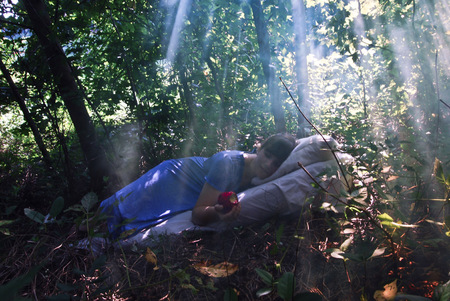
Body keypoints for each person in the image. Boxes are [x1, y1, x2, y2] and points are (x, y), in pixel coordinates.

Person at [99, 133, 296, 239]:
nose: (269, 165)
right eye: (268, 155)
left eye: (277, 163)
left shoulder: (259, 176)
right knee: (118, 209)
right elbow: (198, 215)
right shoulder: (228, 163)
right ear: (260, 147)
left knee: (134, 223)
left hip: (188, 192)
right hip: (170, 179)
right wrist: (218, 213)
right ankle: (76, 238)